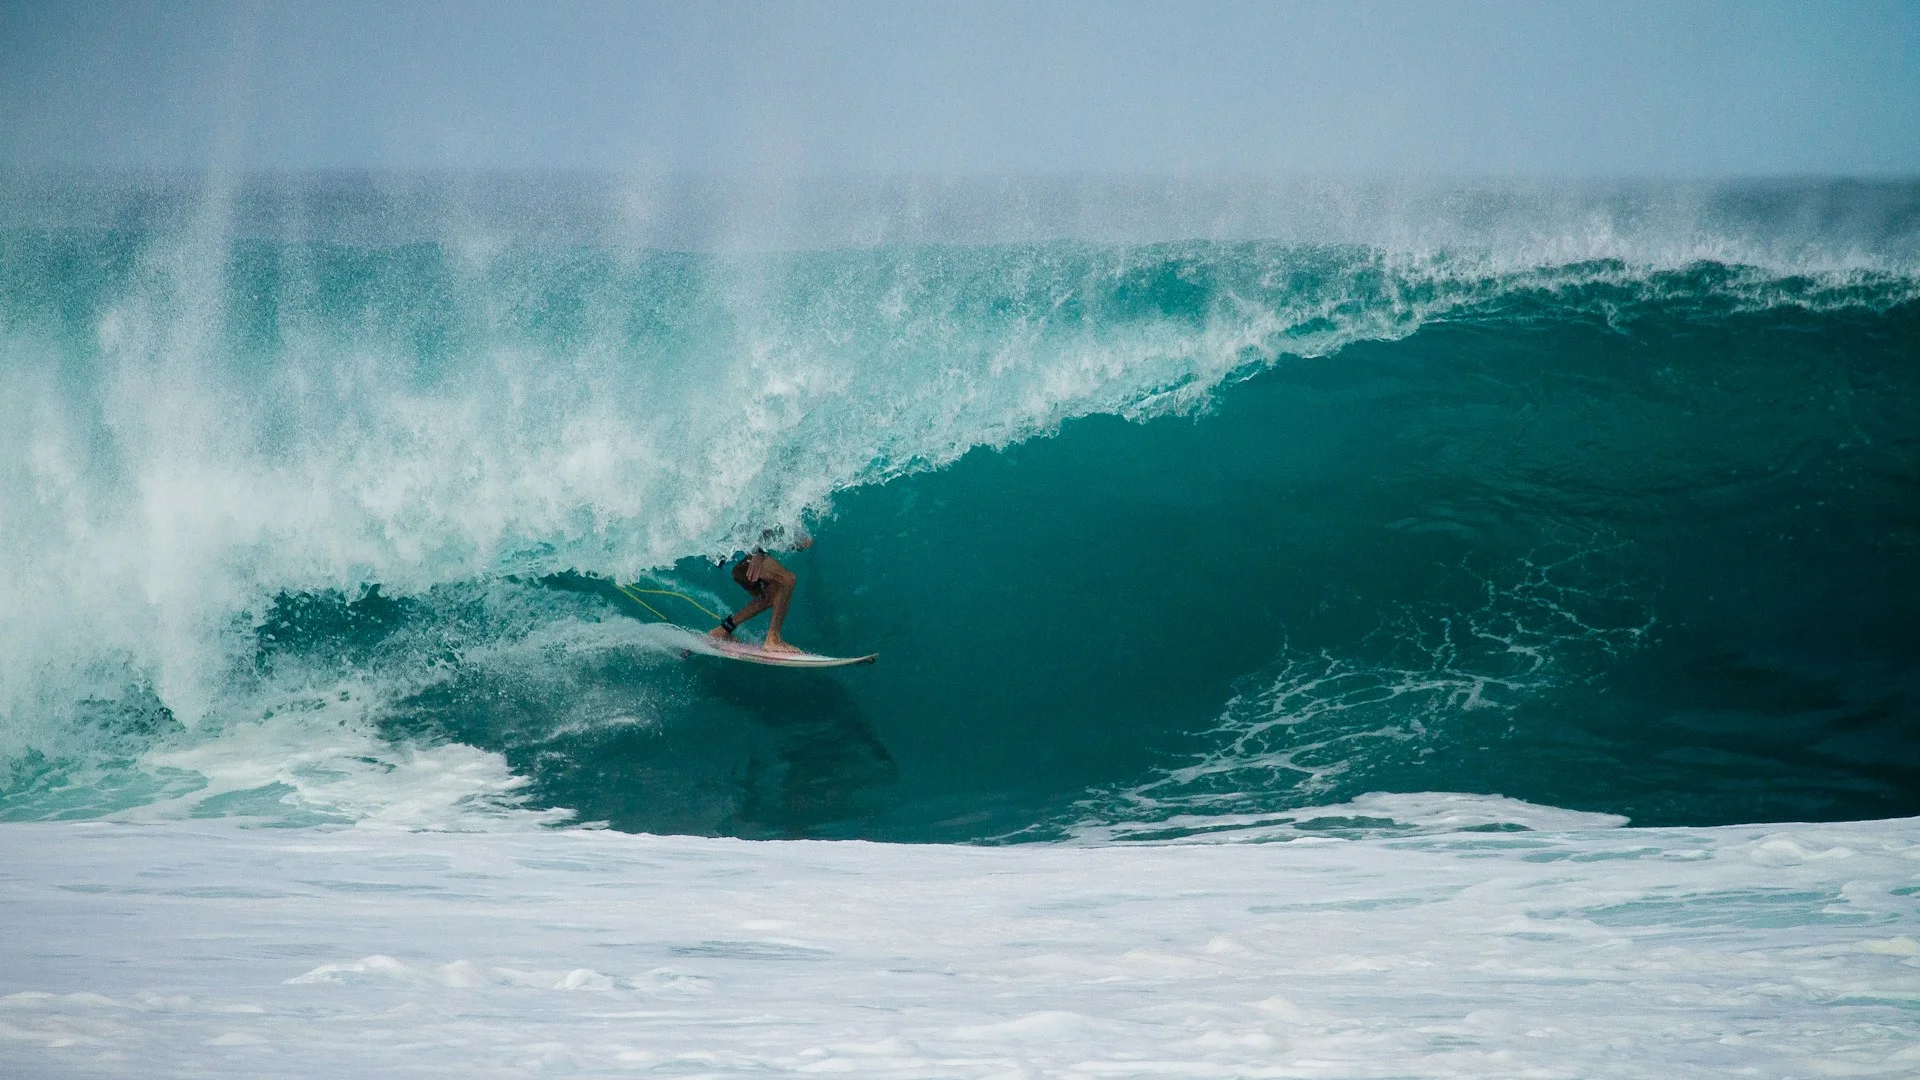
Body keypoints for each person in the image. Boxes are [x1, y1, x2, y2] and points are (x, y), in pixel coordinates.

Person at [709, 528, 814, 654]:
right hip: (734, 548)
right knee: (787, 580)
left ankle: (722, 630)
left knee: (770, 596)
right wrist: (758, 553)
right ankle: (773, 639)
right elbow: (751, 518)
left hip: (722, 551)